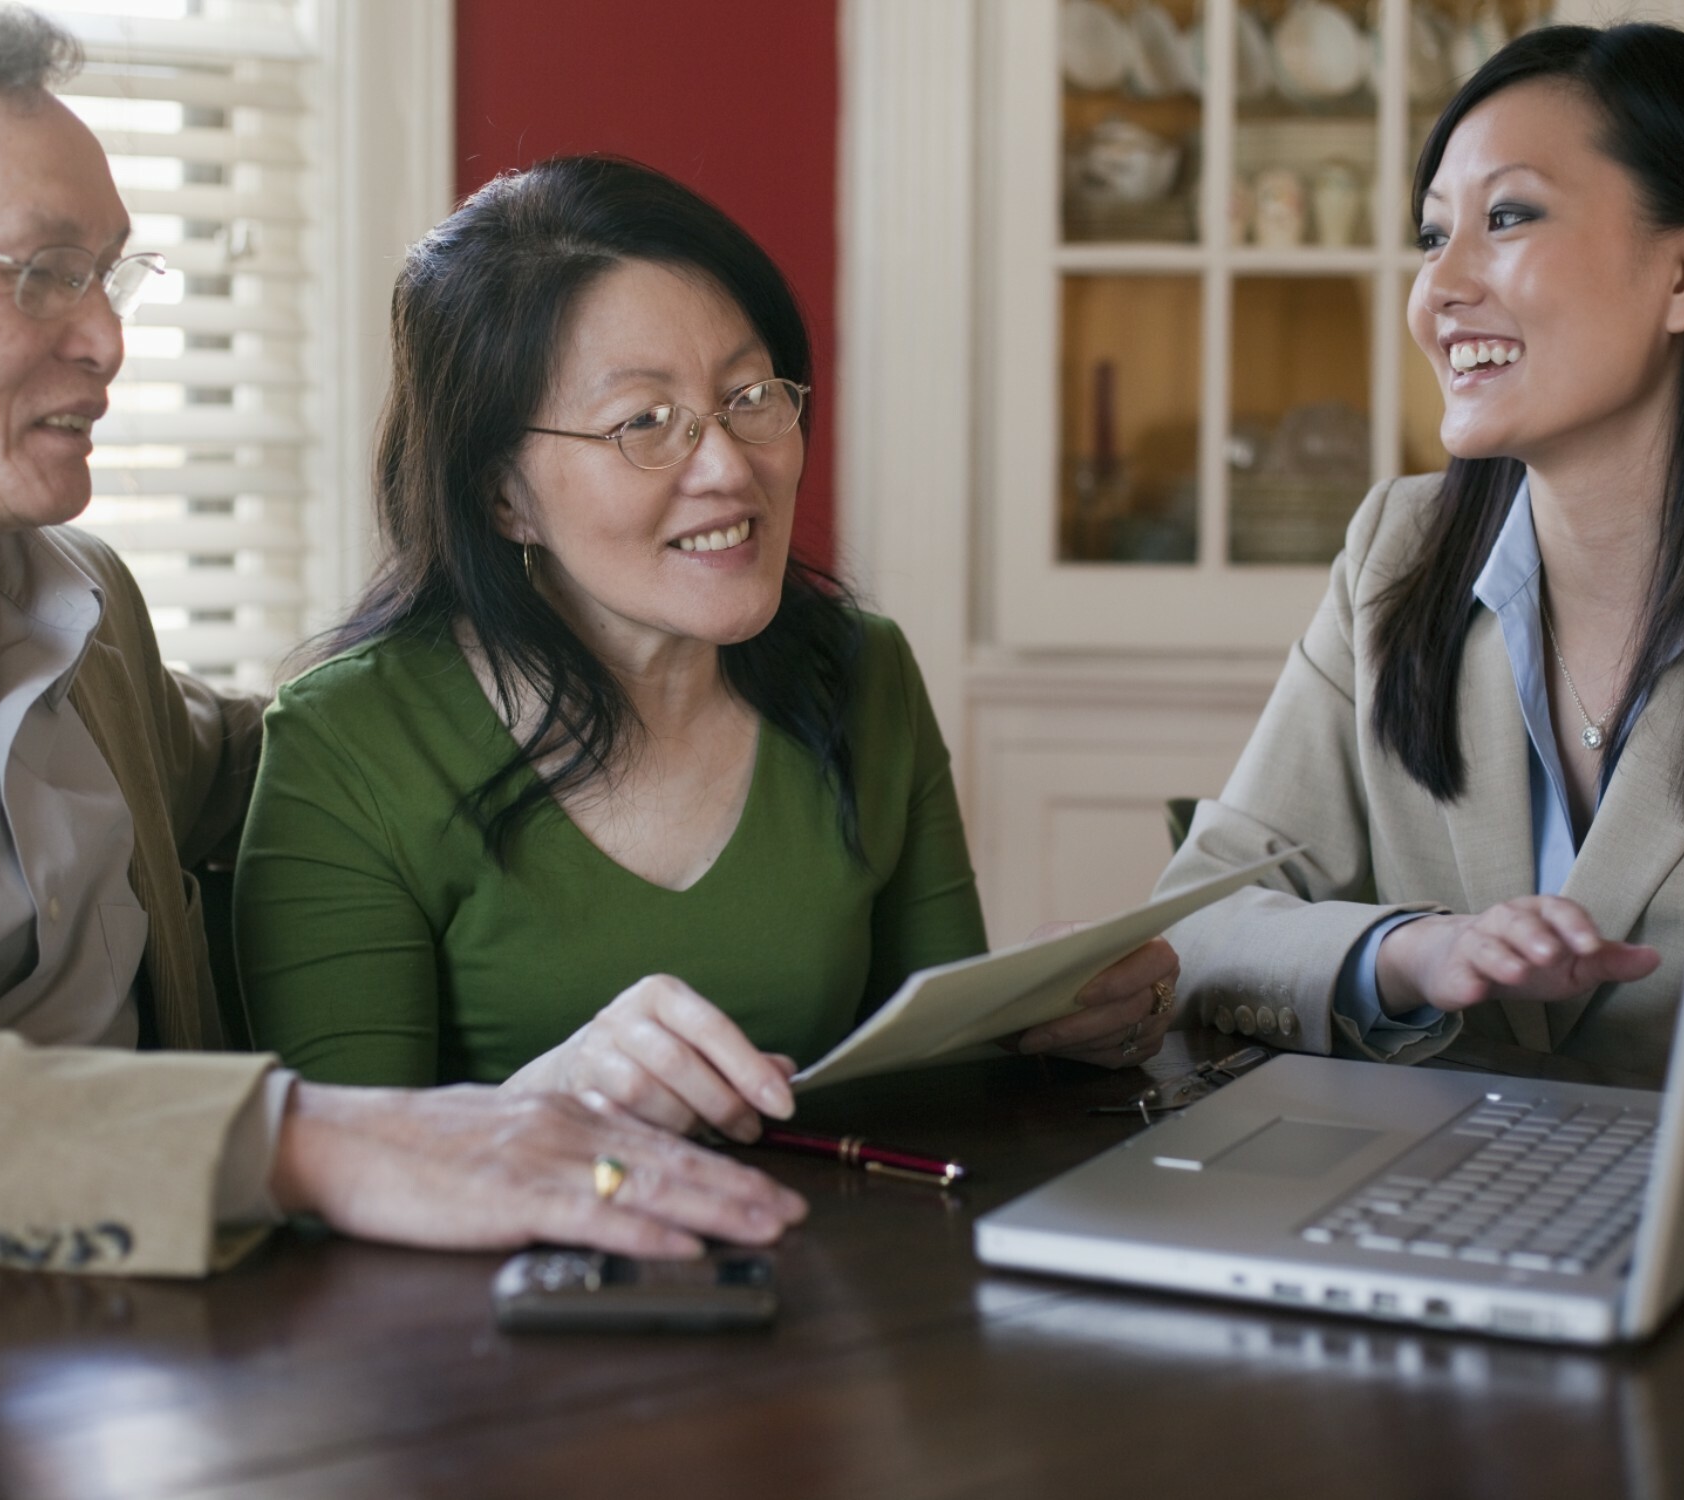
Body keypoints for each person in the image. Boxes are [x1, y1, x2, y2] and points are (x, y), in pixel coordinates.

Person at [0, 1, 804, 1278]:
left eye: (109, 275)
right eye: (41, 271)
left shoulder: (80, 607)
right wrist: (309, 1138)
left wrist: (584, 622)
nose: (107, 338)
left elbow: (300, 755)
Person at [234, 156, 1182, 1140]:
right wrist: (544, 1102)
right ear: (501, 495)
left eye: (750, 394)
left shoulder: (860, 674)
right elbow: (326, 1179)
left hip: (835, 1273)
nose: (730, 467)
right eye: (644, 422)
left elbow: (937, 1099)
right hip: (508, 1289)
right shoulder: (347, 740)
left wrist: (1064, 1026)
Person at [1155, 22, 1684, 1088]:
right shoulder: (1393, 553)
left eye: (1505, 217)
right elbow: (1187, 929)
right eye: (1427, 237)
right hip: (1430, 1211)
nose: (1437, 288)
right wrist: (1408, 952)